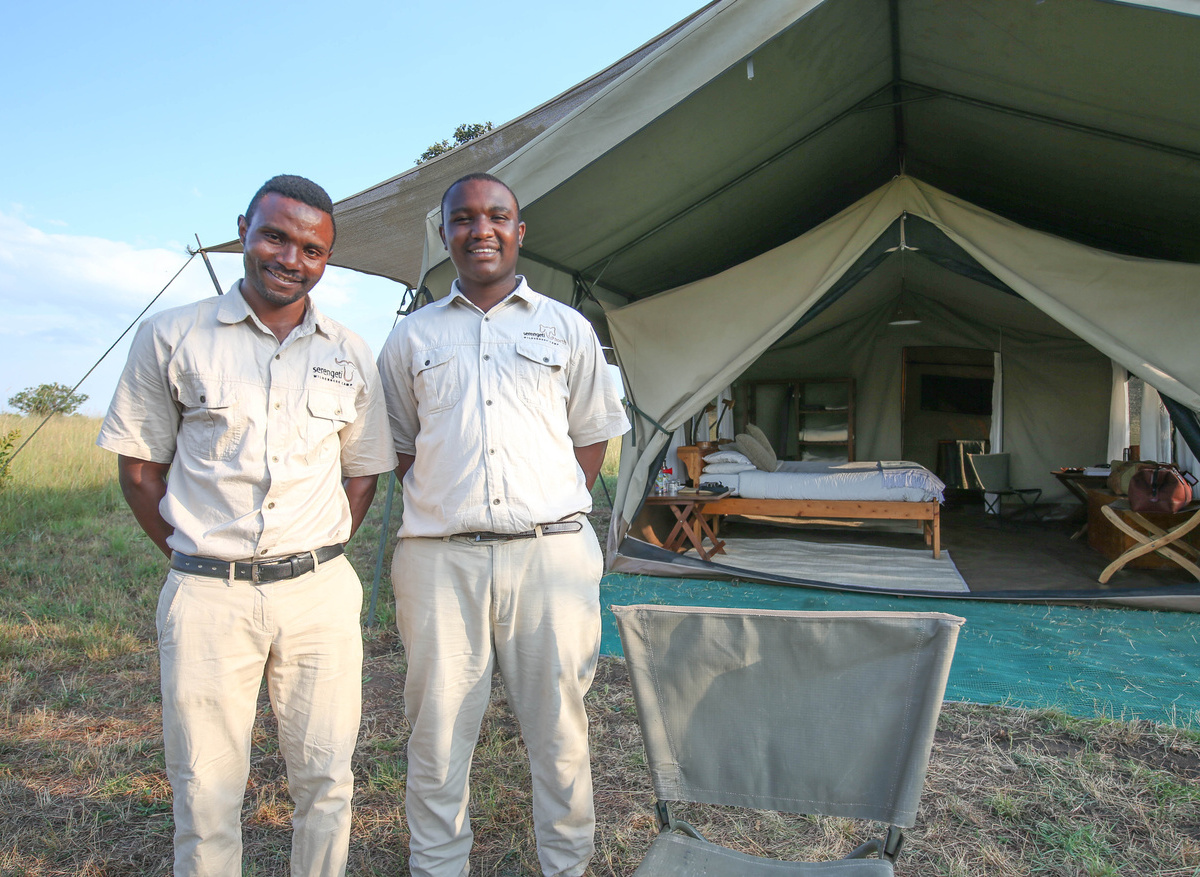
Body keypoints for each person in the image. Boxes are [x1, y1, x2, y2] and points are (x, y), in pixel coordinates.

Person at [97, 175, 394, 876]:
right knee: (204, 789)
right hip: (208, 594)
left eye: (312, 248)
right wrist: (201, 558)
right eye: (275, 236)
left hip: (319, 592)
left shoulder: (349, 351)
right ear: (244, 230)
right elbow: (140, 471)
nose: (291, 257)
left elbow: (363, 472)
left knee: (327, 780)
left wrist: (317, 552)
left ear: (328, 258)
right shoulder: (173, 336)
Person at [377, 173, 629, 877]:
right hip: (438, 561)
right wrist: (456, 505)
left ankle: (568, 865)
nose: (480, 229)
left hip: (550, 557)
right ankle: (437, 867)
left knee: (558, 729)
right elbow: (401, 445)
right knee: (436, 734)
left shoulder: (566, 329)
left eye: (497, 217)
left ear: (521, 232)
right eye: (463, 218)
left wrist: (536, 503)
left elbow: (589, 436)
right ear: (445, 234)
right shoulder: (410, 337)